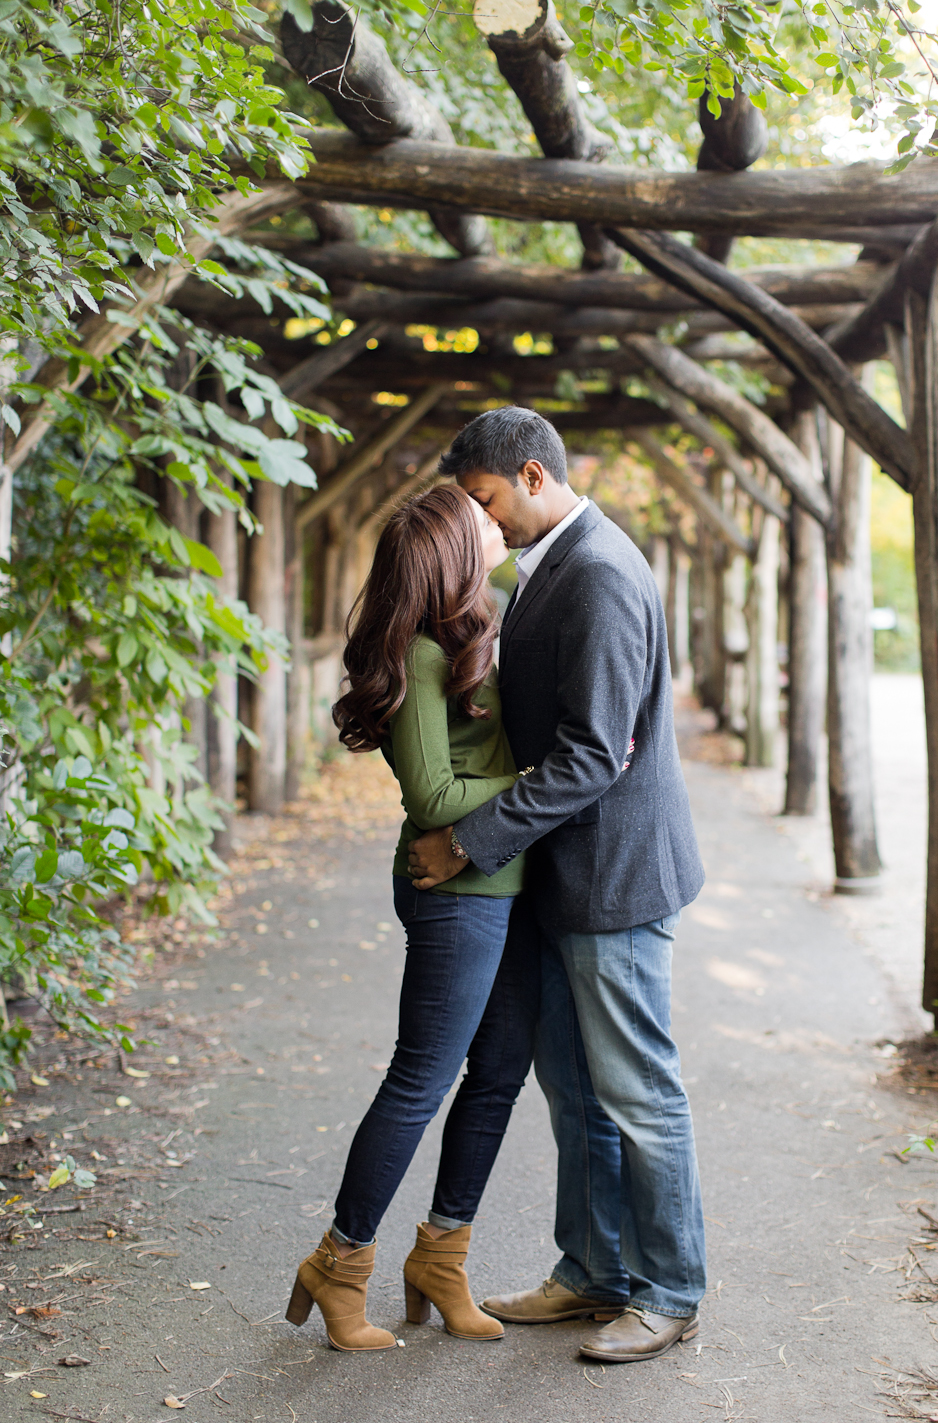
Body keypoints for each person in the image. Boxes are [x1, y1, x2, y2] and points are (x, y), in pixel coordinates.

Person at [407, 407, 708, 1364]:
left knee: (637, 1092)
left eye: (488, 501)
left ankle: (669, 1290)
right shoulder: (553, 562)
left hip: (613, 878)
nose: (482, 525)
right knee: (574, 1090)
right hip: (564, 874)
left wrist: (469, 841)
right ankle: (593, 1273)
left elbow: (592, 759)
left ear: (534, 477)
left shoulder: (603, 574)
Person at [286, 484, 538, 1352]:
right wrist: (548, 785)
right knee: (420, 1083)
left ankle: (442, 1256)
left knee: (500, 1071)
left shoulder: (480, 625)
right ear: (446, 557)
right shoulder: (422, 654)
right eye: (475, 522)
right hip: (456, 897)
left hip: (503, 884)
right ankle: (340, 1263)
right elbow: (433, 795)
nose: (491, 523)